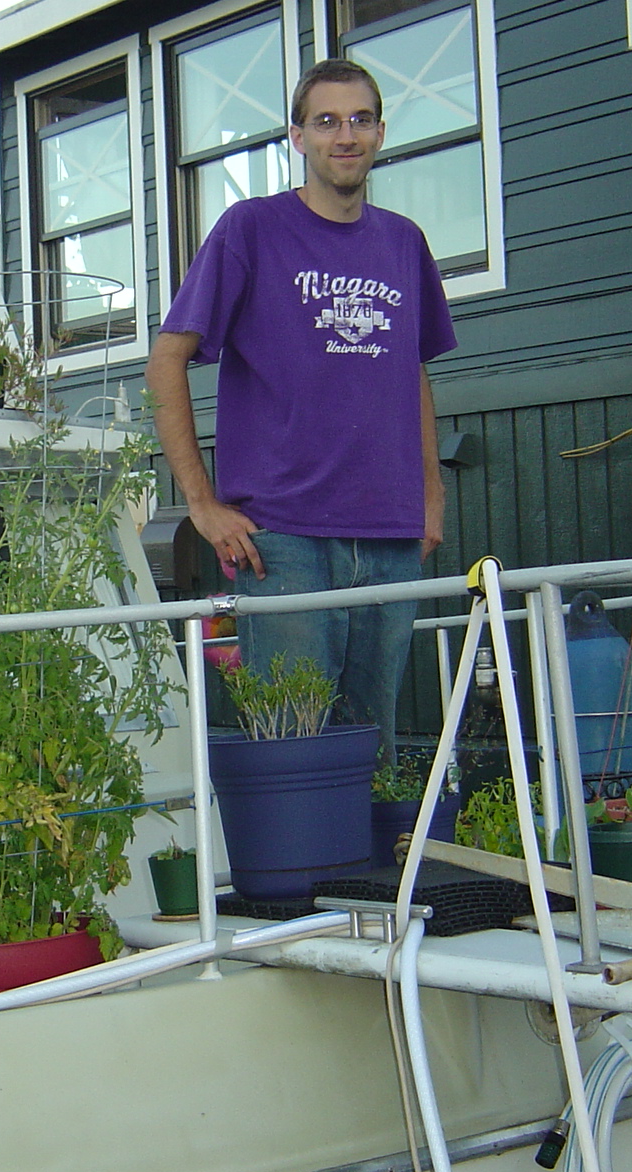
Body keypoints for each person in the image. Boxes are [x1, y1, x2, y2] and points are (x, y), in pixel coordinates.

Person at [146, 57, 455, 757]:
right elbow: (166, 360)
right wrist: (201, 503)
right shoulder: (250, 229)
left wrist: (430, 492)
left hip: (389, 531)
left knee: (371, 739)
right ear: (297, 137)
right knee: (293, 741)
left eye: (360, 119)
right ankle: (295, 872)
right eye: (326, 122)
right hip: (281, 536)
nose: (345, 135)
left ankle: (369, 872)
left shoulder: (404, 242)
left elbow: (412, 370)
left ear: (379, 133)